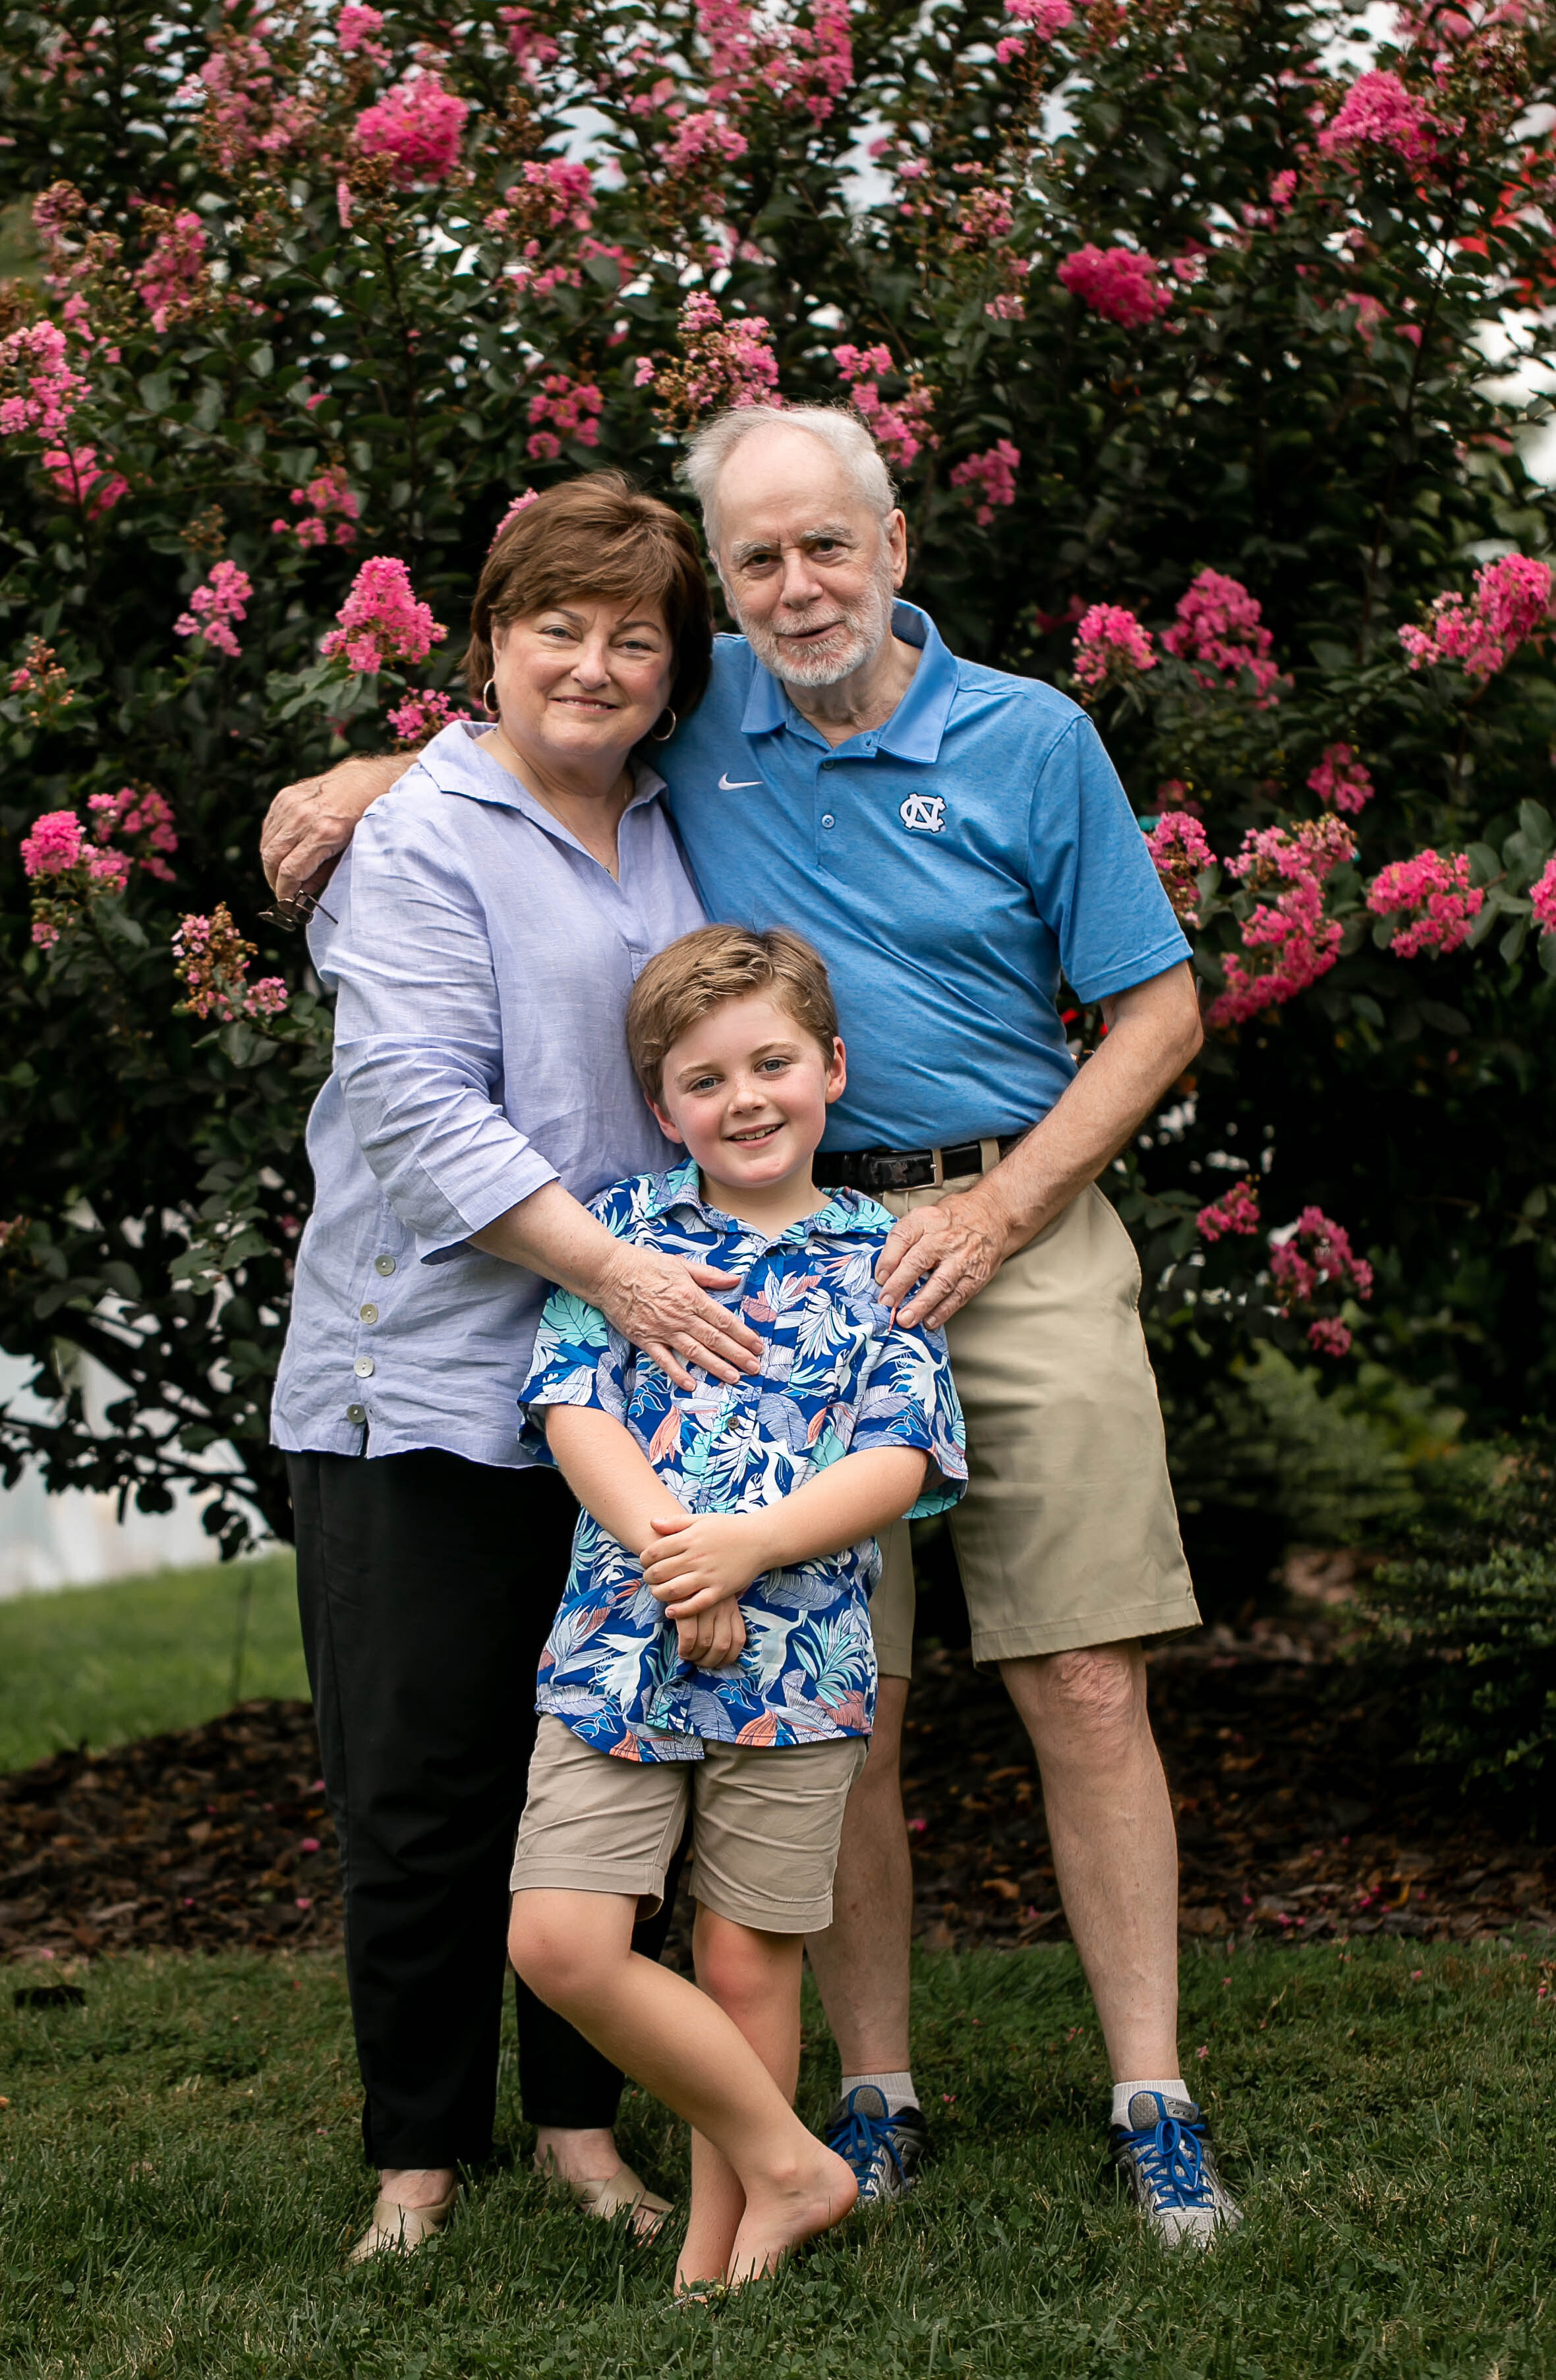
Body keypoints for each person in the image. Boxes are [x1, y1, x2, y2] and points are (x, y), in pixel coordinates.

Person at [262, 404, 1239, 2246]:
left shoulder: (1033, 735)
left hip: (1004, 1217)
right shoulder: (702, 722)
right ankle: (868, 2100)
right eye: (759, 559)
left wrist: (1005, 1200)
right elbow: (540, 716)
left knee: (1087, 1675)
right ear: (728, 585)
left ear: (894, 543)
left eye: (827, 546)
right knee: (818, 1696)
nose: (798, 587)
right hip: (776, 1248)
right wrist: (366, 781)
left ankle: (1151, 2094)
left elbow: (1161, 1014)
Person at [271, 474, 768, 2261]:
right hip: (420, 1378)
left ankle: (577, 2126)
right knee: (423, 1785)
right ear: (488, 645)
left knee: (600, 1765)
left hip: (622, 1394)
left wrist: (646, 1304)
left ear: (672, 671)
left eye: (634, 635)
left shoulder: (675, 825)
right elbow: (414, 1114)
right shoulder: (421, 837)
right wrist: (620, 1270)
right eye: (555, 625)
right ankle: (416, 2156)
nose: (594, 661)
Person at [507, 924, 966, 2290]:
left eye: (772, 1063)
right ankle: (795, 2161)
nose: (744, 1098)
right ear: (662, 1110)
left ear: (831, 1067)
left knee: (747, 1959)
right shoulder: (626, 1237)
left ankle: (721, 2256)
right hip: (614, 1647)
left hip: (799, 1658)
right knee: (559, 1939)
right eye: (704, 1081)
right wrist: (677, 1555)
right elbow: (570, 1402)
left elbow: (899, 1456)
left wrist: (746, 1552)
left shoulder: (886, 1256)